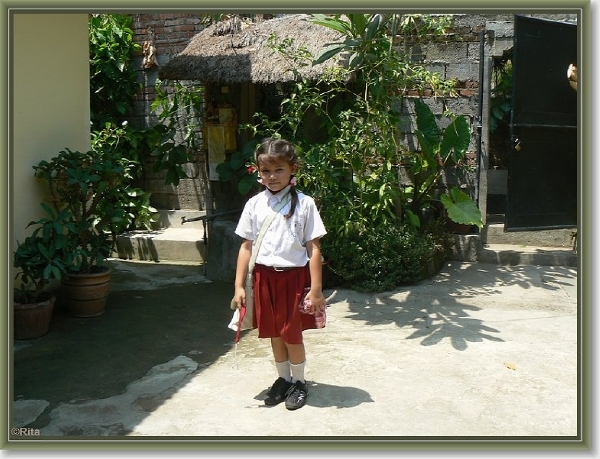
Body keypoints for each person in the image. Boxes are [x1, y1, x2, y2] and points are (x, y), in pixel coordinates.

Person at [233, 137, 327, 411]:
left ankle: (299, 382)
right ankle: (283, 379)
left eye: (279, 170)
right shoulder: (254, 205)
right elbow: (246, 246)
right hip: (264, 278)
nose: (272, 177)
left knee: (292, 334)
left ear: (293, 169)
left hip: (293, 280)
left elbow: (314, 247)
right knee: (274, 333)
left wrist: (316, 289)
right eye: (266, 171)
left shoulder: (305, 204)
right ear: (258, 172)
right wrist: (239, 286)